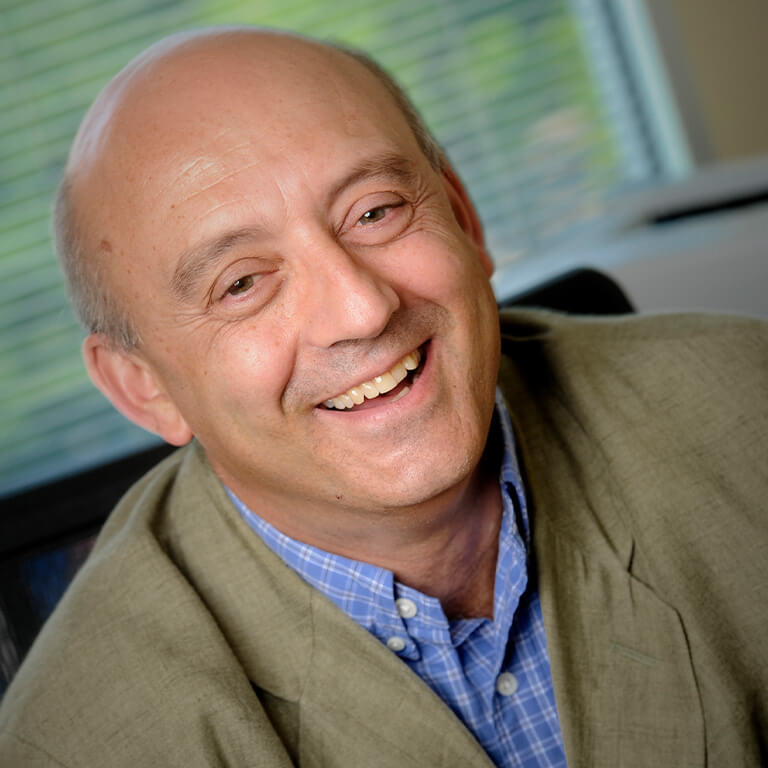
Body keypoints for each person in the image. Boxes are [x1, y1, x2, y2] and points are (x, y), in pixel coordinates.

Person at [0, 26, 766, 768]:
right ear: (143, 387)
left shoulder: (747, 398)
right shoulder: (71, 747)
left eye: (375, 212)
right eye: (241, 284)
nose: (362, 310)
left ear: (463, 218)